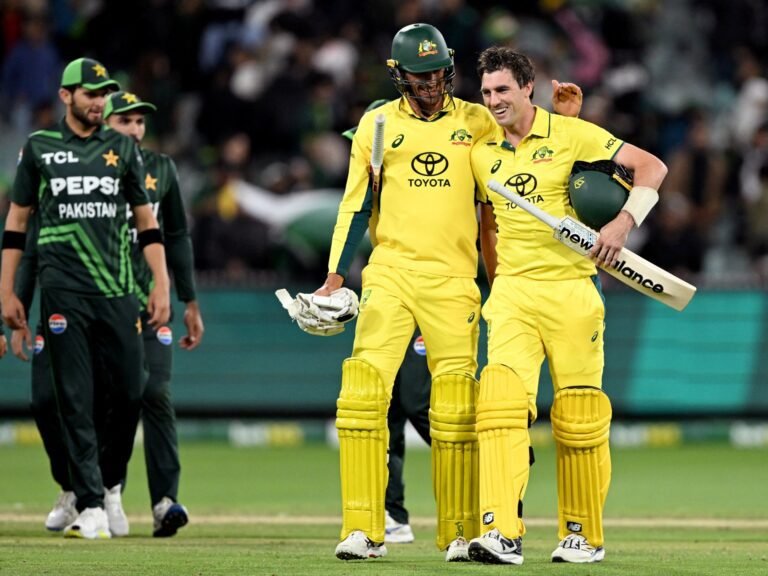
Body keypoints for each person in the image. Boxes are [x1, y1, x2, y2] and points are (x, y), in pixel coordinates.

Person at [316, 23, 583, 563]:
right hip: (390, 272)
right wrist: (335, 276)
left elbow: (520, 172)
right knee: (364, 393)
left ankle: (460, 533)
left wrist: (567, 124)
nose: (434, 82)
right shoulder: (376, 125)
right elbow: (354, 206)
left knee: (458, 406)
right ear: (398, 76)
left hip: (456, 281)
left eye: (439, 71)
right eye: (421, 75)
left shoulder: (478, 120)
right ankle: (365, 530)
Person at [467, 46, 667, 565]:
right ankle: (501, 531)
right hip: (512, 296)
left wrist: (622, 224)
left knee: (578, 417)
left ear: (527, 86)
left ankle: (582, 535)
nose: (494, 101)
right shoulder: (481, 150)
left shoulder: (573, 134)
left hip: (572, 293)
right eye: (487, 92)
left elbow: (651, 168)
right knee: (499, 408)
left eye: (503, 90)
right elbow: (486, 224)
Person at [11, 90, 203, 538]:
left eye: (140, 122)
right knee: (50, 399)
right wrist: (19, 299)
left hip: (138, 302)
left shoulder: (161, 170)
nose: (135, 130)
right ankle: (79, 488)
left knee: (148, 391)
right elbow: (35, 237)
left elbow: (175, 236)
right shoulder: (73, 166)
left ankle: (153, 499)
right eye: (125, 122)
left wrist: (186, 298)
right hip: (75, 298)